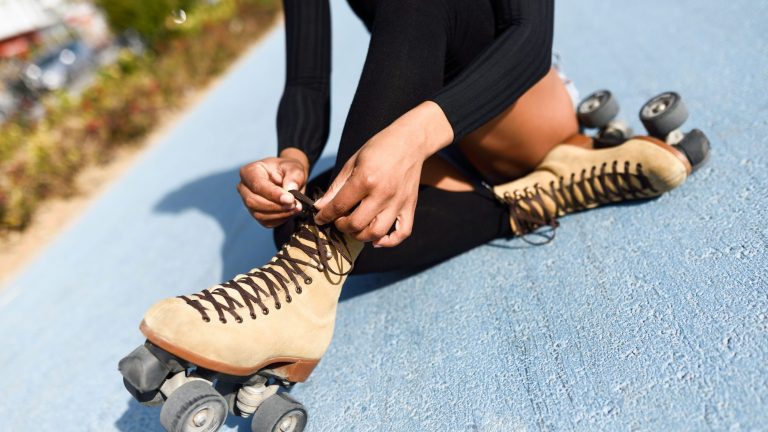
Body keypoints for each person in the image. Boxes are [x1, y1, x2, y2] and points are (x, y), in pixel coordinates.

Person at [120, 1, 708, 427]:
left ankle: (305, 281)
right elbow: (305, 78)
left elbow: (529, 41)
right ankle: (530, 200)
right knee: (315, 212)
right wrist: (291, 162)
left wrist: (412, 136)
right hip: (441, 146)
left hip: (518, 116)